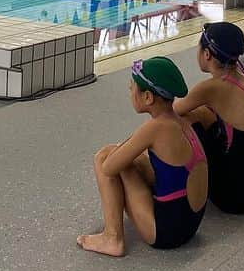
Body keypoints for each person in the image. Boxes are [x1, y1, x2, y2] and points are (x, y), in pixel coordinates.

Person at [78, 57, 207, 256]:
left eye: (132, 88)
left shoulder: (155, 128)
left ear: (147, 97)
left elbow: (108, 168)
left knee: (104, 157)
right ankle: (115, 234)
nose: (130, 92)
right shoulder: (180, 122)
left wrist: (125, 148)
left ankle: (112, 238)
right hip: (191, 224)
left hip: (167, 233)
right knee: (129, 156)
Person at [173, 22, 244, 214]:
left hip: (235, 199)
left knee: (182, 122)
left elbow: (174, 109)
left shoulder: (213, 87)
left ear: (207, 54)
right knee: (204, 114)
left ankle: (172, 186)